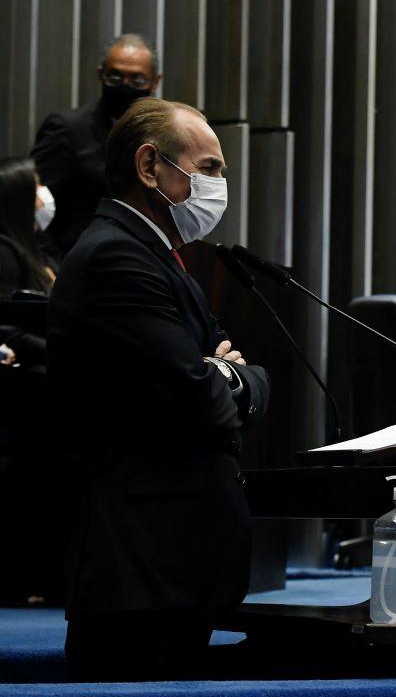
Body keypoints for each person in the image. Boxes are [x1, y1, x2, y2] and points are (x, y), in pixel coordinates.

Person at [48, 97, 269, 681]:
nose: (219, 185)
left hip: (168, 567)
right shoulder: (116, 257)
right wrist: (224, 374)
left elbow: (246, 378)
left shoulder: (159, 256)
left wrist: (227, 374)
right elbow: (204, 401)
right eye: (209, 168)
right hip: (138, 572)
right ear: (150, 167)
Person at [31, 32, 163, 254]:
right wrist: (49, 266)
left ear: (155, 81)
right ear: (101, 75)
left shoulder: (161, 134)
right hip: (75, 261)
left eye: (137, 79)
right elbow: (28, 206)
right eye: (115, 76)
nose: (125, 85)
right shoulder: (67, 129)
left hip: (137, 260)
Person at [0, 156, 59, 368]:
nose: (44, 194)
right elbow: (8, 330)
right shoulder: (4, 253)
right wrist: (68, 353)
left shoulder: (38, 246)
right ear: (20, 199)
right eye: (37, 186)